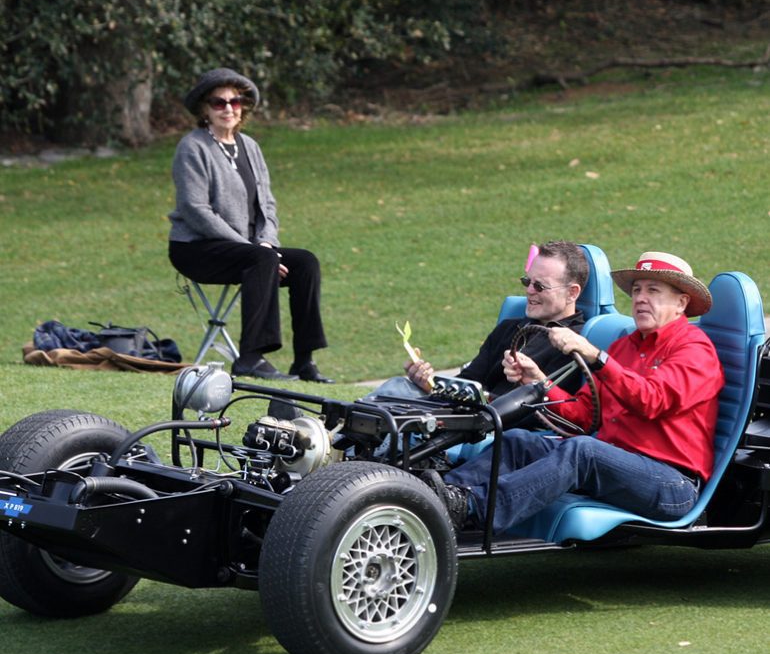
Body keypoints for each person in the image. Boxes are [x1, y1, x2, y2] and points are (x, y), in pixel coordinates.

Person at [427, 251, 725, 534]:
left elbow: (650, 401)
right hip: (616, 466)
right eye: (636, 290)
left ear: (681, 303)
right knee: (518, 442)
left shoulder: (694, 349)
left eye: (653, 291)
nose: (641, 299)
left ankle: (470, 508)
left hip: (673, 484)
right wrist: (539, 383)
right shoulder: (624, 347)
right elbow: (583, 416)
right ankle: (434, 498)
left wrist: (598, 358)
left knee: (584, 451)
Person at [168, 67, 332, 382]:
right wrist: (254, 251)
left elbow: (267, 205)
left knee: (305, 262)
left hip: (248, 250)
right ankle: (250, 359)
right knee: (262, 259)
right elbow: (195, 210)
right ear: (205, 108)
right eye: (219, 102)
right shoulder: (192, 147)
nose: (228, 108)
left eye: (236, 101)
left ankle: (304, 361)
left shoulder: (250, 147)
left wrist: (267, 243)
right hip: (195, 248)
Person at [368, 240, 590, 402]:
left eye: (540, 286)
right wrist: (428, 383)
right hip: (468, 413)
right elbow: (469, 380)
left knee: (397, 397)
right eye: (527, 281)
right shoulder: (510, 328)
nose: (529, 291)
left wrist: (479, 398)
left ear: (572, 293)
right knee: (398, 387)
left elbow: (548, 409)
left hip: (499, 427)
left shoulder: (575, 342)